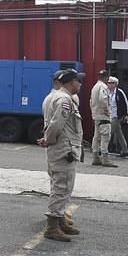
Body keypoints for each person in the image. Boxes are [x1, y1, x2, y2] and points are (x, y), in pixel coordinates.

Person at [43, 68, 84, 241]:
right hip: (64, 150)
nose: (80, 84)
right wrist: (48, 140)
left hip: (62, 148)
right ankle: (52, 227)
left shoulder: (57, 97)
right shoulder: (64, 100)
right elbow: (56, 125)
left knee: (62, 186)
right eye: (78, 81)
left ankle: (59, 222)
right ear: (70, 82)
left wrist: (48, 139)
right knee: (61, 187)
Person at [88, 69, 118, 167]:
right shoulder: (103, 86)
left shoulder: (94, 87)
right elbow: (103, 98)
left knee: (96, 137)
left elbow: (91, 101)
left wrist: (94, 112)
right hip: (103, 116)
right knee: (105, 136)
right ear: (106, 78)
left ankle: (96, 157)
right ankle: (105, 158)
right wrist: (106, 110)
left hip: (96, 115)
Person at [105, 76, 128, 158]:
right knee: (119, 133)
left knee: (109, 132)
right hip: (110, 115)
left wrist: (126, 114)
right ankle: (125, 150)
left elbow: (125, 103)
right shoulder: (107, 92)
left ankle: (102, 149)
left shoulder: (120, 92)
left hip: (117, 116)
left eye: (111, 83)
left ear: (115, 84)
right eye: (108, 83)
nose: (109, 84)